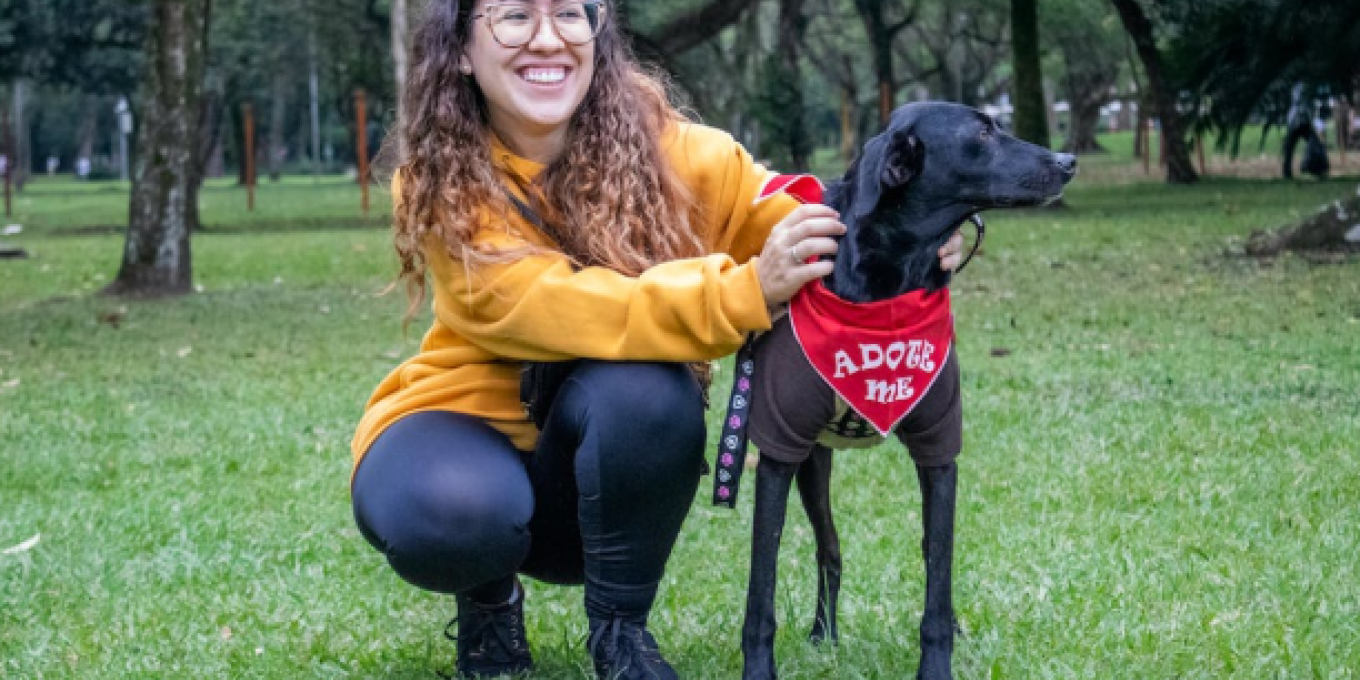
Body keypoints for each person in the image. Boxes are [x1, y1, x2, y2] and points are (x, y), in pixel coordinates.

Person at [349, 2, 965, 678]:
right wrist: (745, 291)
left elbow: (791, 211)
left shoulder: (676, 151)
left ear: (598, 30)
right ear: (463, 49)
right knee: (450, 512)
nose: (547, 37)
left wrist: (902, 232)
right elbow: (557, 305)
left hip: (600, 478)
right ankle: (490, 601)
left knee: (647, 385)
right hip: (459, 432)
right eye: (515, 15)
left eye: (570, 13)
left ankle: (620, 634)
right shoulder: (441, 186)